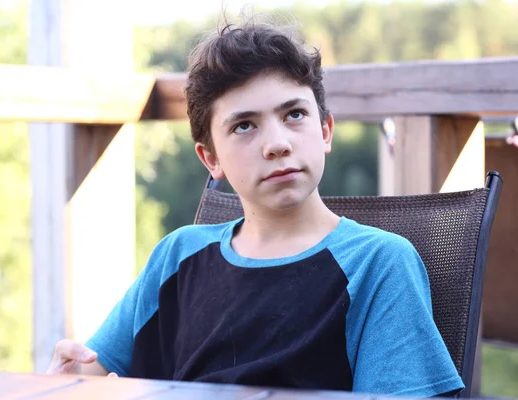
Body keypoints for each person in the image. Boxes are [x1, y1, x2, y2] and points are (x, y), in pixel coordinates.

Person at [46, 14, 464, 397]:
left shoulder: (378, 263)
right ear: (211, 159)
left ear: (325, 131)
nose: (277, 143)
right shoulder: (177, 256)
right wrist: (66, 382)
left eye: (295, 114)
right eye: (244, 126)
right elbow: (91, 376)